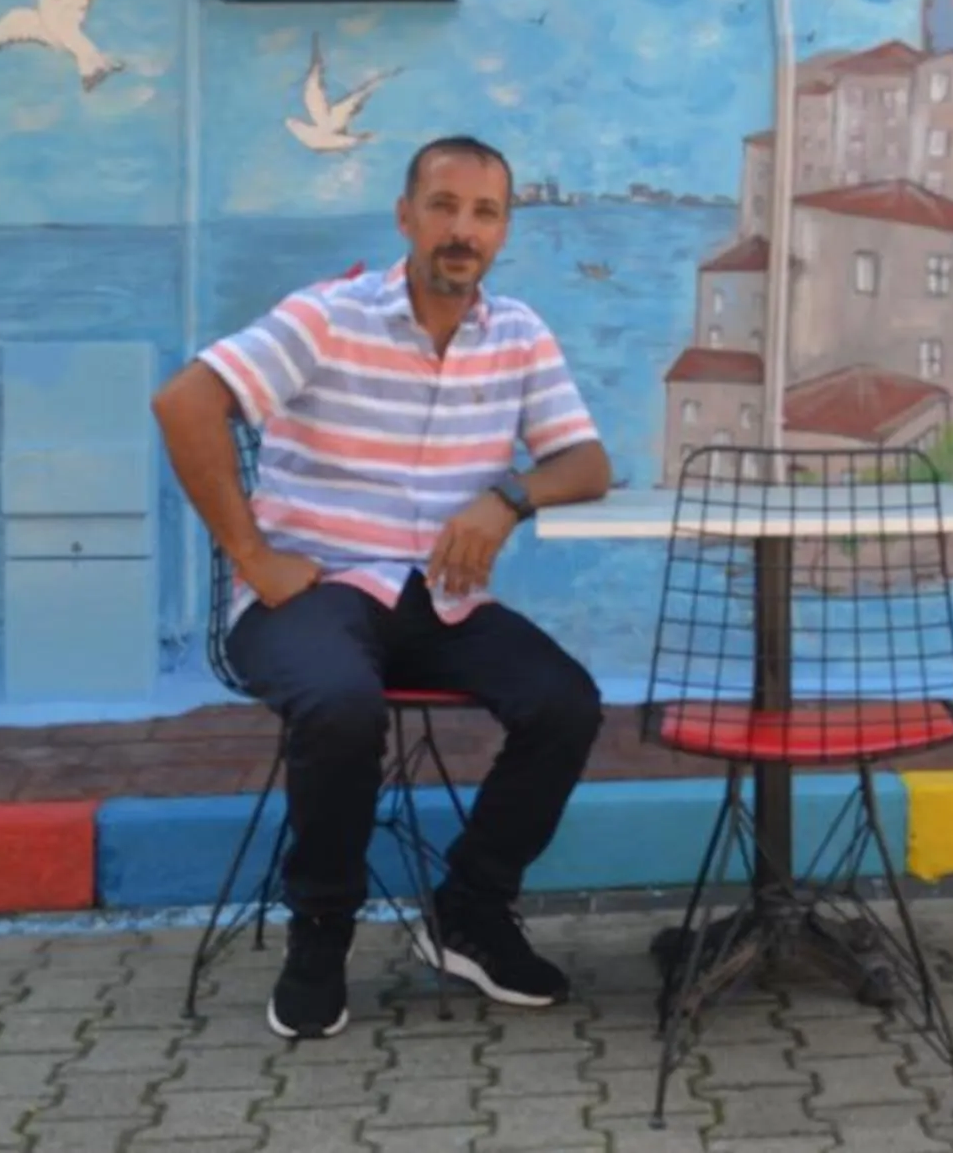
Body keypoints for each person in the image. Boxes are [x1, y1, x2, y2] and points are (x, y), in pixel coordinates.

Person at [155, 134, 613, 1041]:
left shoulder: (516, 332)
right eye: (443, 207)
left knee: (566, 702)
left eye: (484, 213)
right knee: (340, 702)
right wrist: (251, 555)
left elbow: (588, 460)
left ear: (504, 230)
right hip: (314, 590)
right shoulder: (328, 316)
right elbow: (185, 403)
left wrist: (507, 497)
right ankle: (319, 936)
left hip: (439, 599)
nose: (462, 230)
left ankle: (471, 913)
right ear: (406, 217)